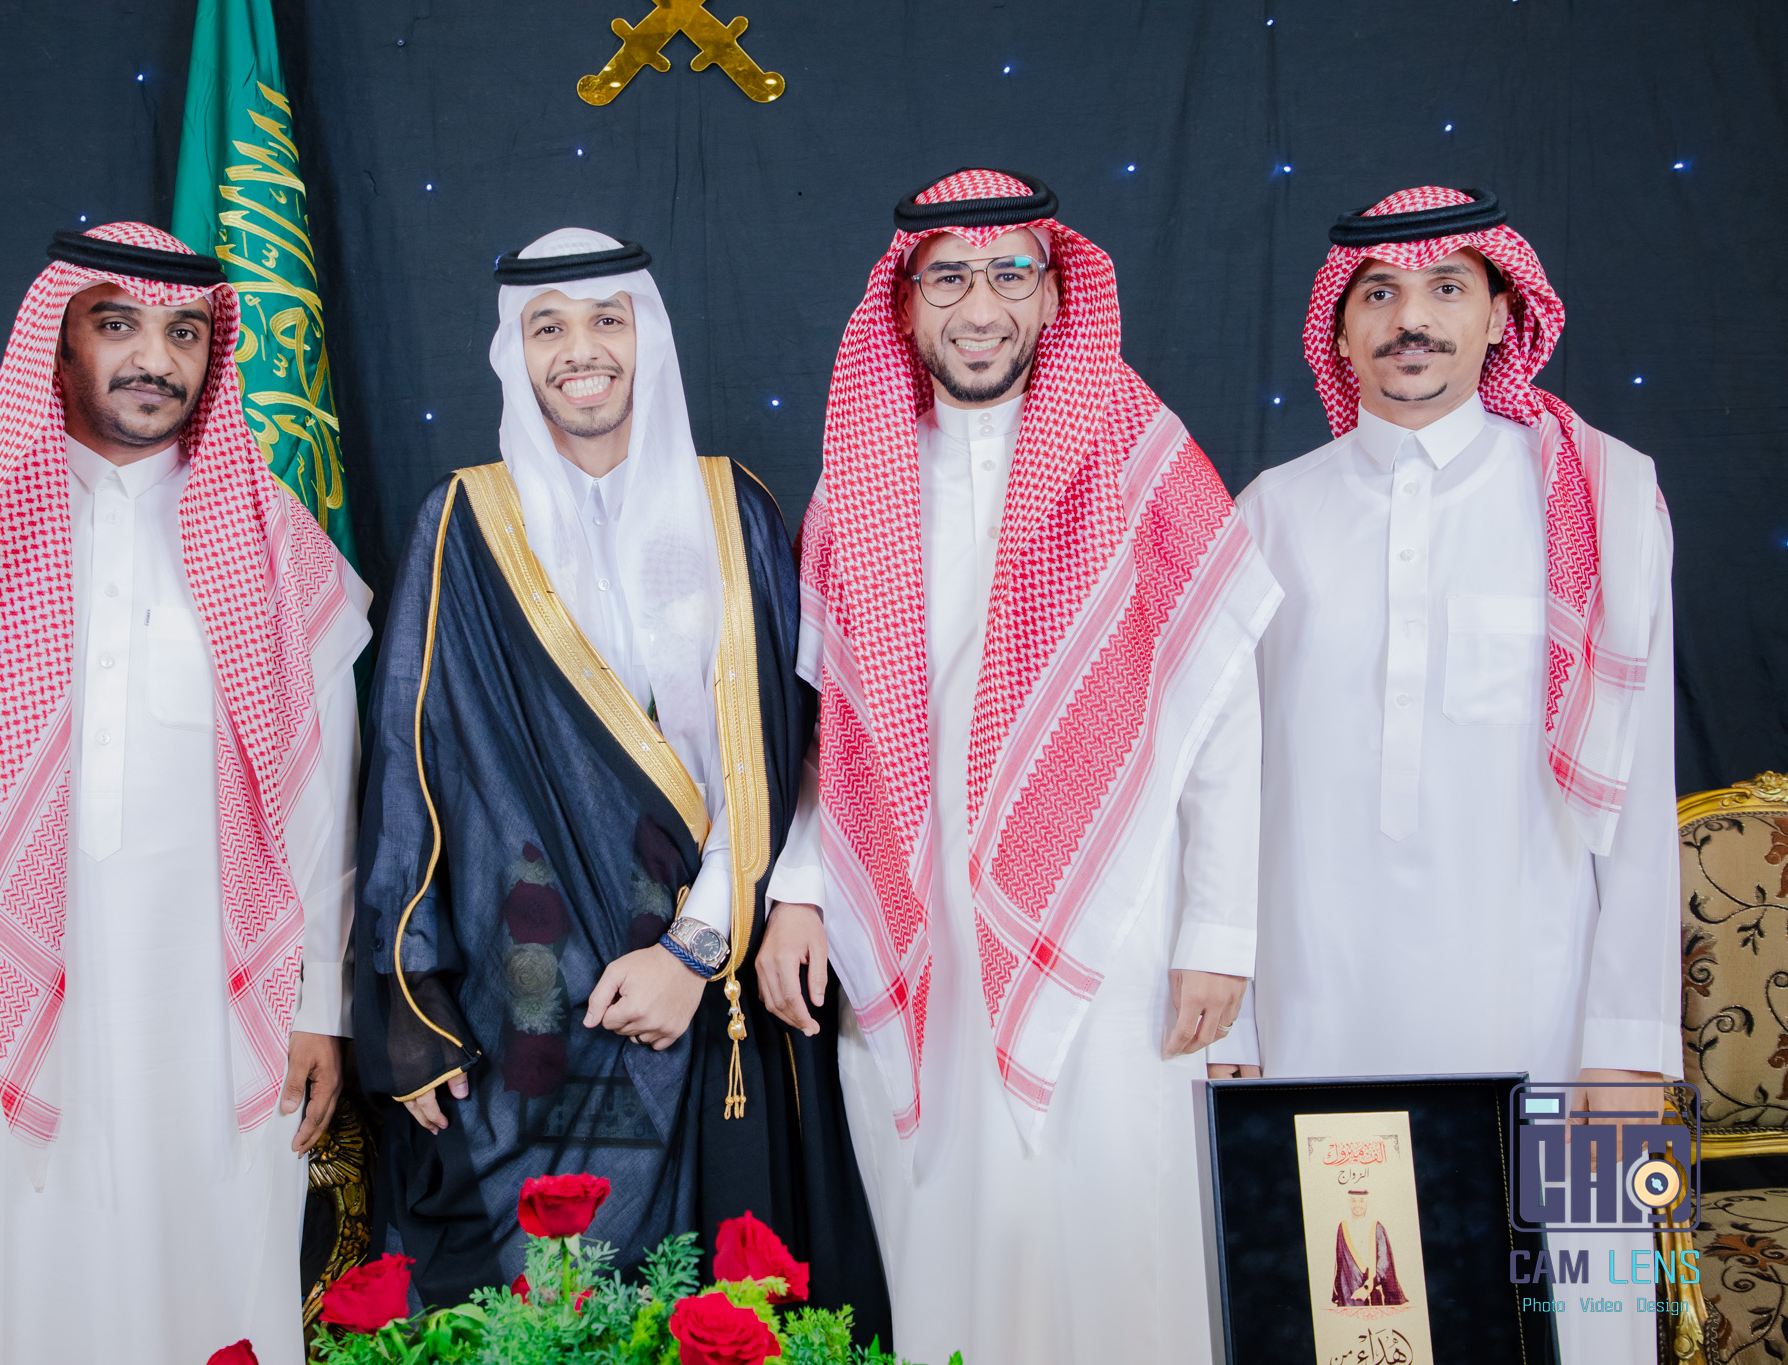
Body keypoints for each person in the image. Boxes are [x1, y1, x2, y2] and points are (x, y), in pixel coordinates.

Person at [755, 169, 1280, 1363]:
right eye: (946, 278)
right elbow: (831, 730)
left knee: (1116, 1221)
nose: (978, 305)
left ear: (1053, 295)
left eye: (1007, 273)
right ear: (903, 307)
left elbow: (1220, 711)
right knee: (948, 1229)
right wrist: (799, 890)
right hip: (913, 912)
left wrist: (1217, 932)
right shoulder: (859, 477)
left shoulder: (1144, 463)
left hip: (1116, 913)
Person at [0, 223, 371, 1364]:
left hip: (215, 1016)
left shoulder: (271, 541)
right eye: (118, 324)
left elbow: (324, 803)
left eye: (184, 334)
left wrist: (321, 998)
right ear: (59, 339)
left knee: (199, 1287)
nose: (155, 360)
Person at [352, 229, 886, 1335]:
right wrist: (410, 998)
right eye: (546, 327)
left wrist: (693, 951)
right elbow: (411, 769)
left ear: (651, 337)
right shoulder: (462, 523)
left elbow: (785, 753)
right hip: (528, 999)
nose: (580, 350)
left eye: (607, 319)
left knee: (721, 1312)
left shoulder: (733, 510)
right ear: (513, 354)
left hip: (716, 987)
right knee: (547, 1315)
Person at [1212, 186, 1677, 1365]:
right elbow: (1222, 793)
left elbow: (1638, 797)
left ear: (1500, 315)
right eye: (1376, 294)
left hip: (1556, 1021)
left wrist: (1629, 1041)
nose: (1407, 319)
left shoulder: (1605, 497)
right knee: (1352, 1318)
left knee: (1582, 1317)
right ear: (1338, 327)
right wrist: (1238, 1022)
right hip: (1319, 1012)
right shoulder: (1268, 516)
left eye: (1443, 289)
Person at [1332, 1191, 1407, 1309]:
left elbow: (1384, 1264)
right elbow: (1340, 1263)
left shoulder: (1376, 1227)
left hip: (1373, 1291)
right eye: (1353, 1200)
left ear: (1367, 1203)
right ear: (1349, 1203)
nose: (1357, 1205)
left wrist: (1367, 1287)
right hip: (1349, 1293)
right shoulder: (1343, 1227)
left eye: (1361, 1201)